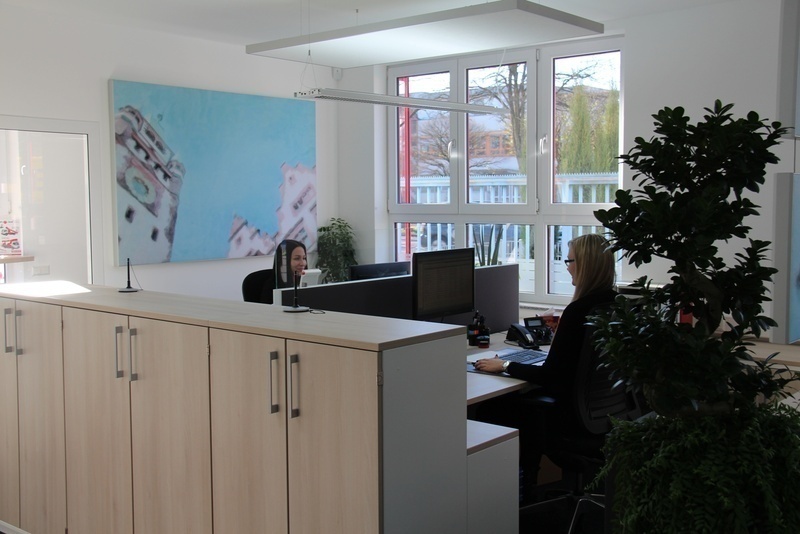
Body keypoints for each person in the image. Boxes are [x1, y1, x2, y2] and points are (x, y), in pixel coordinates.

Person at [473, 233, 617, 501]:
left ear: (585, 265)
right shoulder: (613, 304)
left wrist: (505, 364)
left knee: (494, 408)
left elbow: (550, 375)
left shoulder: (578, 312)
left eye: (570, 261)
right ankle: (524, 486)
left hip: (571, 420)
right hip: (602, 414)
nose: (568, 267)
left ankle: (517, 492)